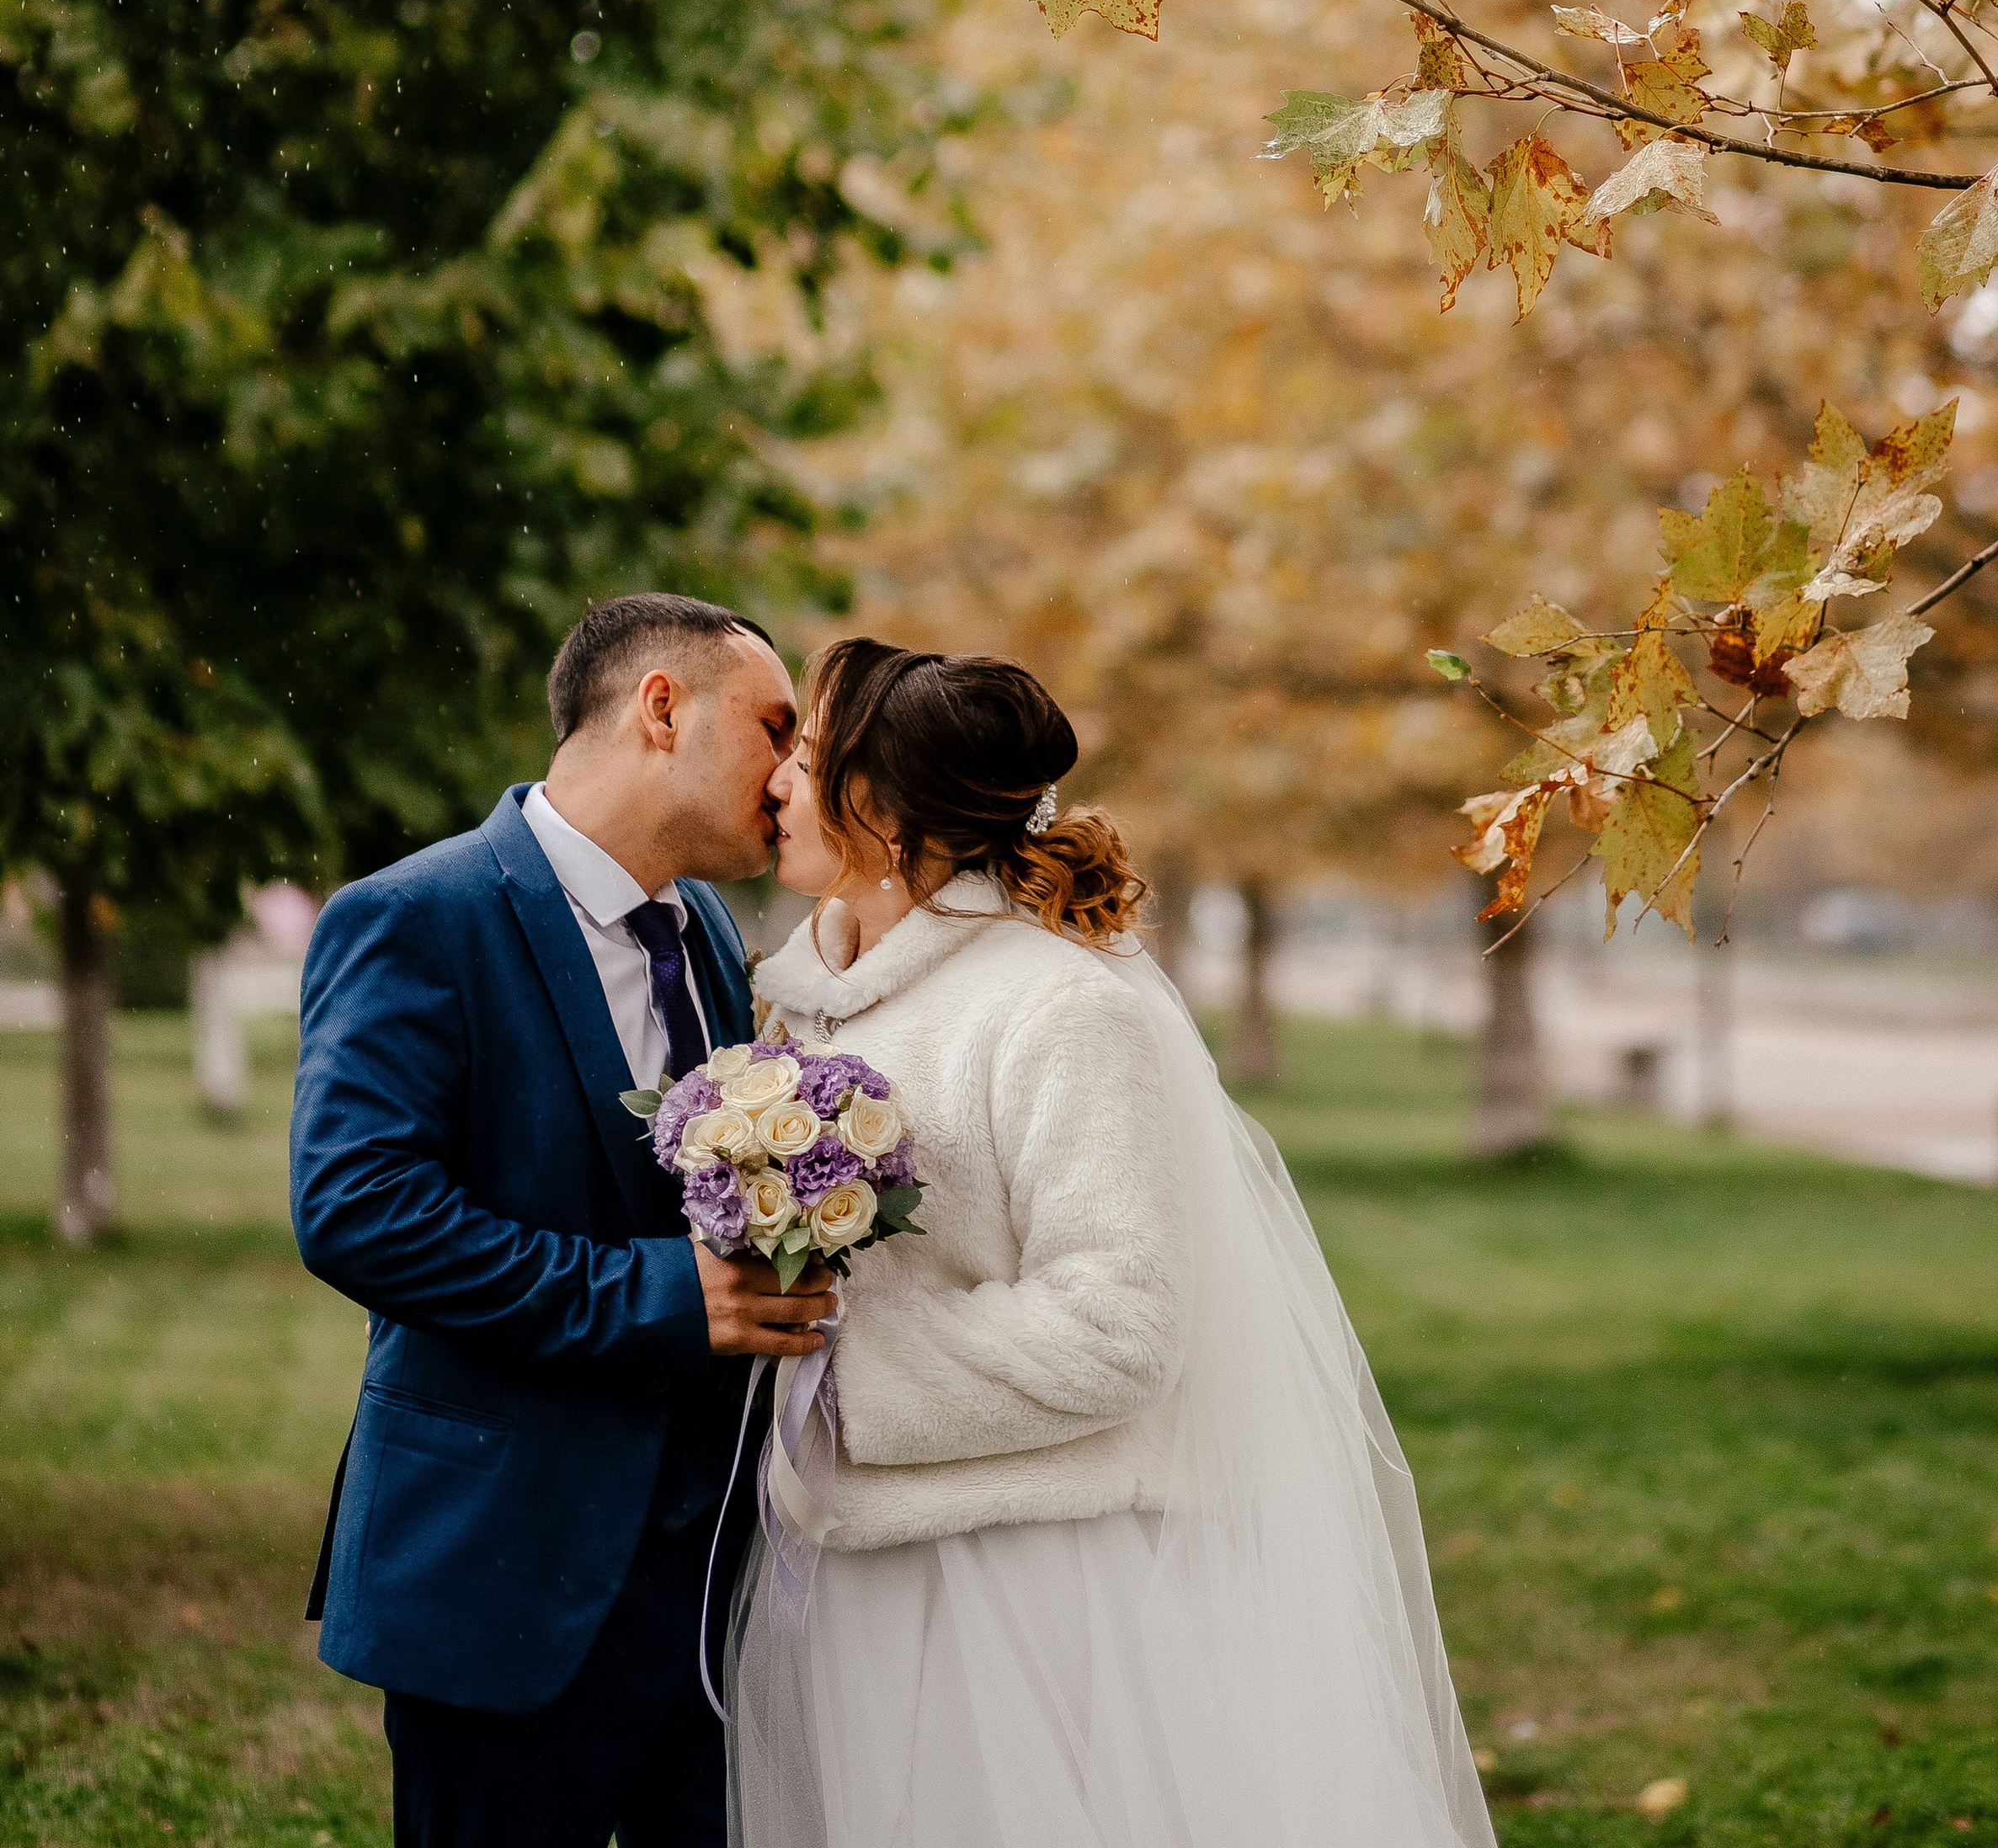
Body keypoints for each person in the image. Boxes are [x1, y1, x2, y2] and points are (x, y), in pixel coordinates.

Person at [728, 636, 1498, 1848]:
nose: (773, 781)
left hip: (1024, 1584)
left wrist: (842, 1368)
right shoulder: (796, 1003)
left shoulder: (1059, 1009)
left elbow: (1119, 1330)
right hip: (851, 1565)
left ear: (880, 808)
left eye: (807, 757)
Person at [290, 592, 833, 1848]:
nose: (793, 771)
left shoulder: (703, 931)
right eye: (774, 727)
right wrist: (658, 1298)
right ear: (661, 710)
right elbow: (358, 1212)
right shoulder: (417, 918)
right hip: (500, 1567)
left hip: (708, 1590)